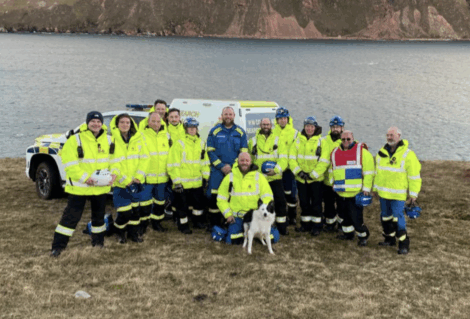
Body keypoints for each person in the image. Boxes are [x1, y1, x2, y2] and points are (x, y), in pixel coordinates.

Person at [51, 111, 115, 257]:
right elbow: (69, 164)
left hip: (99, 187)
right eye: (93, 121)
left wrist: (112, 175)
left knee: (98, 218)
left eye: (99, 121)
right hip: (80, 187)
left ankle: (98, 243)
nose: (96, 124)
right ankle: (58, 247)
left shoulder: (109, 140)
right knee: (70, 218)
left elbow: (113, 161)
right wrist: (85, 178)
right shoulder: (75, 140)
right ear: (87, 123)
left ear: (102, 124)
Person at [373, 127, 422, 255]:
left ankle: (403, 244)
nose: (389, 137)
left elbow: (414, 177)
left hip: (398, 195)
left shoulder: (408, 154)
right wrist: (374, 189)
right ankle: (389, 239)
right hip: (384, 194)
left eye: (392, 135)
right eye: (388, 135)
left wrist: (413, 194)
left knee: (398, 219)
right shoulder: (381, 153)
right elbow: (377, 173)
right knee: (385, 217)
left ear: (399, 136)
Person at [329, 130, 374, 246]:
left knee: (356, 219)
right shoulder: (335, 152)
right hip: (341, 193)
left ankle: (363, 236)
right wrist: (332, 184)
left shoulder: (362, 152)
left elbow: (369, 172)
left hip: (355, 194)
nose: (346, 141)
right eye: (343, 139)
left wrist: (366, 189)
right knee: (344, 218)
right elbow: (332, 170)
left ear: (353, 139)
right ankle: (348, 234)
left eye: (348, 139)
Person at [110, 113, 150, 244]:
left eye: (128, 122)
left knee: (135, 212)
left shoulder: (138, 138)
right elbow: (112, 162)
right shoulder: (112, 140)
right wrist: (125, 179)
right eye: (122, 122)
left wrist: (138, 176)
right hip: (121, 183)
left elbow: (145, 158)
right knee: (124, 213)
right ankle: (119, 231)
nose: (125, 125)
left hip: (136, 182)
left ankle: (134, 234)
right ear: (117, 125)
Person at [217, 152, 274, 244]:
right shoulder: (230, 177)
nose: (244, 163)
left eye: (247, 160)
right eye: (242, 160)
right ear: (238, 162)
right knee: (232, 240)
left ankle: (251, 233)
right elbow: (221, 199)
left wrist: (263, 213)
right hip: (237, 217)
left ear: (251, 162)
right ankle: (247, 233)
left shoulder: (259, 177)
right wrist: (228, 215)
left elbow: (268, 197)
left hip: (255, 217)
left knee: (273, 237)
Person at [206, 106, 248, 229]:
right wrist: (221, 166)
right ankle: (213, 223)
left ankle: (228, 223)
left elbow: (243, 153)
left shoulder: (240, 132)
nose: (228, 117)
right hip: (217, 171)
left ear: (234, 116)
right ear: (222, 116)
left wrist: (232, 166)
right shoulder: (214, 131)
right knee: (214, 196)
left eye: (230, 114)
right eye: (226, 114)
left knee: (231, 196)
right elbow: (210, 151)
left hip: (234, 171)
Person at [167, 117, 210, 234]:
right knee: (182, 206)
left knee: (198, 205)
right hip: (183, 183)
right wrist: (176, 182)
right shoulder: (179, 144)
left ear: (197, 129)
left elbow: (204, 162)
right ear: (185, 129)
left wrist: (206, 177)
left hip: (197, 181)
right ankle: (183, 225)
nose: (192, 130)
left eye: (194, 128)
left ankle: (197, 221)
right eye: (190, 128)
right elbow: (173, 164)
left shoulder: (201, 143)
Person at [289, 116, 330, 236]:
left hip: (315, 180)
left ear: (315, 127)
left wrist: (313, 175)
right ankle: (305, 224)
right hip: (301, 179)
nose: (309, 129)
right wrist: (298, 172)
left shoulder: (322, 142)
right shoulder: (297, 140)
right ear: (304, 127)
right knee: (304, 202)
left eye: (312, 126)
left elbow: (324, 161)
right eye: (307, 126)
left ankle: (317, 226)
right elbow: (292, 158)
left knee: (316, 203)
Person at [249, 118, 289, 235]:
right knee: (260, 204)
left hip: (275, 177)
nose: (265, 126)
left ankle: (282, 227)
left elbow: (283, 158)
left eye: (267, 124)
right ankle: (261, 226)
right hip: (260, 179)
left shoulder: (278, 140)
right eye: (263, 124)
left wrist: (276, 170)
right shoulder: (252, 141)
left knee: (280, 202)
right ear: (260, 125)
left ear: (271, 125)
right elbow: (250, 159)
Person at [140, 112, 172, 232]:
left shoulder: (167, 136)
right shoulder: (142, 136)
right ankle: (143, 225)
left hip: (162, 177)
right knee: (144, 204)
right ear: (148, 122)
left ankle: (157, 223)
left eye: (158, 121)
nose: (156, 124)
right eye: (153, 121)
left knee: (160, 203)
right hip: (147, 178)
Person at [272, 107, 300, 226]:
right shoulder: (273, 132)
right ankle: (279, 215)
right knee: (278, 194)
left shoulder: (295, 133)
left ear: (288, 119)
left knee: (290, 194)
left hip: (289, 169)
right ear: (277, 120)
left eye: (284, 118)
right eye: (280, 118)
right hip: (277, 169)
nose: (282, 121)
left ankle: (292, 216)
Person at [321, 116, 346, 232]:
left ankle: (342, 225)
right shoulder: (324, 140)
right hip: (326, 179)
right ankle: (330, 224)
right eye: (333, 127)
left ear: (342, 128)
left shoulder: (346, 141)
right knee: (328, 204)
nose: (335, 129)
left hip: (341, 180)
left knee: (342, 205)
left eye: (338, 127)